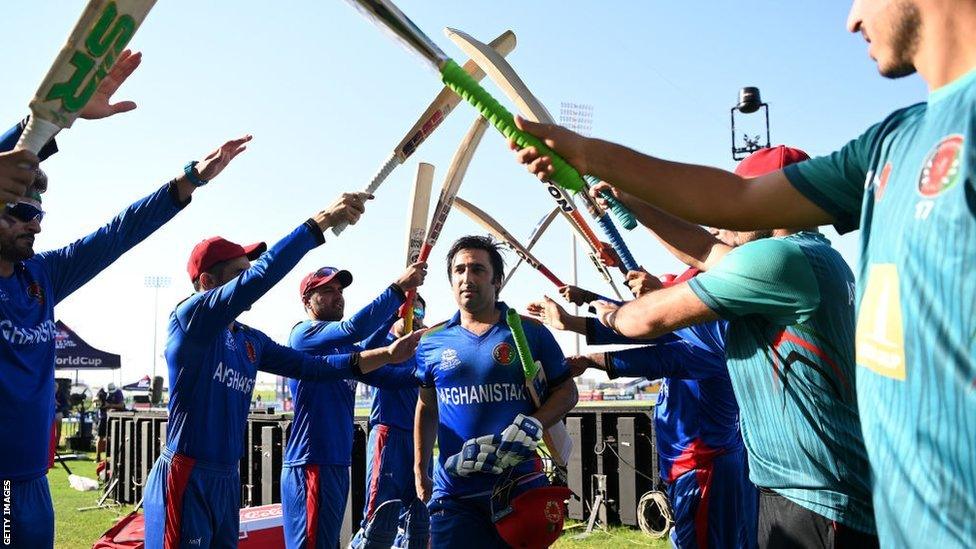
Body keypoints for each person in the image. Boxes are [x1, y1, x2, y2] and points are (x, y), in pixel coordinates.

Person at [511, 4, 975, 544]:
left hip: (825, 500)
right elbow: (732, 208)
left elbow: (649, 318)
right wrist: (600, 168)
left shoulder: (783, 262)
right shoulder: (892, 142)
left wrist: (589, 316)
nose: (850, 19)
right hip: (848, 499)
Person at [541, 148, 874, 547]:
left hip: (815, 499)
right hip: (812, 488)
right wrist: (632, 200)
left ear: (774, 203)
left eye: (738, 201)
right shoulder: (816, 257)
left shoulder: (781, 261)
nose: (725, 218)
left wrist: (601, 314)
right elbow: (703, 249)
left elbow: (645, 321)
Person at [142, 192, 423, 549]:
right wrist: (319, 223)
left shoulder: (250, 340)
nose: (249, 283)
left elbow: (312, 368)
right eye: (239, 276)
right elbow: (266, 275)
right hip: (187, 474)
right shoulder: (190, 320)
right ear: (209, 284)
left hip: (227, 478)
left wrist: (388, 354)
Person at [531, 271, 756, 549]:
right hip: (700, 465)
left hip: (705, 467)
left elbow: (660, 356)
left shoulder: (712, 345)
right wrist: (588, 302)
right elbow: (643, 324)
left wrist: (591, 355)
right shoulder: (708, 333)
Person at [413, 235, 578, 548]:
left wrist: (535, 423)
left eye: (478, 269)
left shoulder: (529, 332)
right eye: (459, 270)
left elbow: (567, 392)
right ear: (450, 281)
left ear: (497, 280)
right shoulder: (431, 341)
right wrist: (420, 470)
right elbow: (427, 408)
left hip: (519, 487)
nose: (467, 278)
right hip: (454, 491)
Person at [281, 262, 426, 549]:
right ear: (306, 301)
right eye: (327, 291)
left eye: (339, 290)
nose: (338, 295)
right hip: (311, 462)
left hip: (336, 463)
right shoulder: (304, 335)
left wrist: (438, 372)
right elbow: (354, 328)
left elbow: (390, 375)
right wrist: (398, 289)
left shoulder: (346, 350)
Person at [353, 295, 430, 549]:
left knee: (417, 518)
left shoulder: (424, 350)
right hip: (389, 433)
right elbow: (364, 357)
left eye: (419, 311)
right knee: (379, 519)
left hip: (419, 436)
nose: (415, 317)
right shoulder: (383, 346)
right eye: (410, 311)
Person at [95, 383, 125, 462]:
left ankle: (113, 456)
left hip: (114, 417)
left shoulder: (118, 392)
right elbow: (95, 401)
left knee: (113, 437)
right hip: (103, 417)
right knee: (100, 437)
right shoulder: (101, 392)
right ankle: (98, 457)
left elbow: (121, 405)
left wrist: (110, 405)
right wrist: (98, 401)